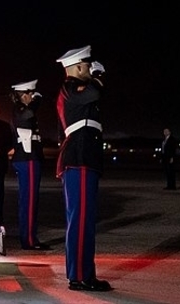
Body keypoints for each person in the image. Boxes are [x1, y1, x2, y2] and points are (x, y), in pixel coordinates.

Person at [55, 44, 112, 292]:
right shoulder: (70, 88)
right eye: (87, 65)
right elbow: (93, 94)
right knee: (80, 221)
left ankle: (82, 273)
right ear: (77, 67)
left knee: (84, 220)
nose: (90, 68)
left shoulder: (78, 89)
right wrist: (99, 78)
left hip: (85, 160)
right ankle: (79, 276)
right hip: (78, 159)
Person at [10, 79, 51, 250]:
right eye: (31, 95)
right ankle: (28, 240)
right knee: (29, 201)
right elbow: (28, 115)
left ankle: (30, 237)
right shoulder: (20, 110)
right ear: (24, 95)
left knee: (30, 200)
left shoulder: (22, 110)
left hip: (30, 159)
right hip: (27, 160)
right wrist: (37, 101)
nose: (32, 98)